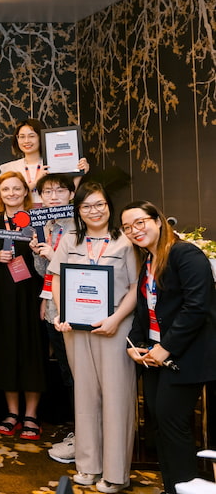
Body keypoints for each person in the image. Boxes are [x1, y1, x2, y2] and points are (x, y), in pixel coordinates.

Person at [49, 183, 138, 493]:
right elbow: (57, 279)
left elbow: (135, 289)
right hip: (77, 329)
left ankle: (115, 474)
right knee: (85, 397)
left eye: (99, 204)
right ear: (79, 211)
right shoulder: (71, 240)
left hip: (114, 328)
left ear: (109, 206)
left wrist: (115, 319)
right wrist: (63, 314)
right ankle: (88, 465)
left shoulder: (125, 242)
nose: (94, 211)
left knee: (116, 398)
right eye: (86, 206)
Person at [122, 201, 216, 494]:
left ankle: (184, 488)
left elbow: (196, 307)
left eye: (140, 222)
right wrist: (136, 344)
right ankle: (172, 486)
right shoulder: (149, 260)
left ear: (158, 220)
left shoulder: (185, 254)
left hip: (183, 355)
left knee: (173, 425)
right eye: (127, 227)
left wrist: (167, 347)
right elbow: (143, 309)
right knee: (160, 425)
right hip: (153, 355)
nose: (134, 231)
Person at [0, 172, 45, 440]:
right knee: (6, 351)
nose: (11, 193)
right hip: (1, 298)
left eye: (16, 188)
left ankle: (30, 415)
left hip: (31, 296)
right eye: (5, 189)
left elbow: (48, 262)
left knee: (32, 353)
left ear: (25, 191)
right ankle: (11, 413)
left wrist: (37, 248)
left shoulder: (36, 221)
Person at [30, 172, 77, 462]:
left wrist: (54, 254)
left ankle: (86, 434)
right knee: (66, 371)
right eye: (48, 192)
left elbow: (81, 268)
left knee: (78, 372)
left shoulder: (78, 224)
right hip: (53, 308)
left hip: (75, 307)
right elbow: (42, 271)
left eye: (60, 190)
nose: (54, 196)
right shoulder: (45, 224)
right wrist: (39, 253)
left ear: (71, 194)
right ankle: (78, 430)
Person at [0, 119, 89, 207]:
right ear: (17, 139)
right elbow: (4, 197)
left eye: (32, 136)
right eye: (22, 137)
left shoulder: (54, 164)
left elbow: (67, 195)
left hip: (49, 216)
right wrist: (35, 182)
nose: (26, 141)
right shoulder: (8, 168)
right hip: (19, 216)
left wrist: (80, 172)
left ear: (41, 137)